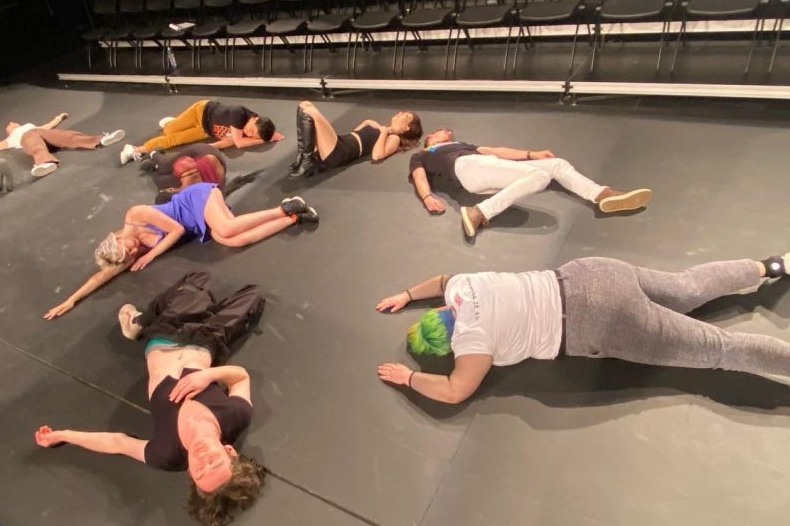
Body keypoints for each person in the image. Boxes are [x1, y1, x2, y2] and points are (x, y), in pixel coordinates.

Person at [373, 253, 790, 405]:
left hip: (599, 320)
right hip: (590, 271)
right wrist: (407, 295)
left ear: (447, 343)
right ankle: (769, 266)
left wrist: (409, 377)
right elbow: (442, 278)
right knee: (685, 286)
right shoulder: (464, 287)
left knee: (716, 349)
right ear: (441, 313)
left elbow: (453, 391)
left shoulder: (471, 344)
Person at [35, 271, 267, 526]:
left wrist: (64, 435)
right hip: (208, 341)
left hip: (166, 338)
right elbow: (240, 378)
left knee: (197, 283)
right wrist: (208, 376)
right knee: (254, 295)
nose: (202, 460)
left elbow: (118, 443)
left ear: (190, 473)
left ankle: (139, 324)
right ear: (229, 451)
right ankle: (191, 312)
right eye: (214, 462)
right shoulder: (235, 417)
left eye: (199, 471)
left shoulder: (165, 453)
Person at [43, 185, 318, 319]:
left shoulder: (136, 215)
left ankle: (285, 206)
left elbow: (174, 230)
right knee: (232, 240)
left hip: (195, 201)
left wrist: (151, 255)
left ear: (117, 239)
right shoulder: (123, 253)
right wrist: (72, 299)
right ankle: (293, 219)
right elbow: (103, 275)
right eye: (131, 257)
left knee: (228, 227)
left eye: (130, 250)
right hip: (197, 223)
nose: (134, 252)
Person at [410, 128, 653, 240]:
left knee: (556, 165)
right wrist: (428, 197)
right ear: (430, 139)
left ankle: (602, 195)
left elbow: (496, 151)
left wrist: (530, 154)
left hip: (484, 169)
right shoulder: (424, 153)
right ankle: (480, 212)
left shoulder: (463, 144)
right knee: (540, 178)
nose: (448, 133)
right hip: (467, 168)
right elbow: (420, 176)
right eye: (443, 132)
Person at [118, 99, 283, 165]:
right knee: (169, 130)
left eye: (253, 135)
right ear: (255, 119)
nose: (249, 133)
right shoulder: (238, 113)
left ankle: (134, 149)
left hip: (204, 130)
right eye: (252, 130)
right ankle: (173, 123)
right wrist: (265, 140)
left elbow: (229, 142)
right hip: (201, 111)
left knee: (172, 140)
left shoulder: (245, 132)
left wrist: (209, 147)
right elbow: (239, 143)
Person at [0, 112, 125, 177]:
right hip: (31, 140)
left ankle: (100, 140)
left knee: (66, 136)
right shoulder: (12, 138)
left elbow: (49, 126)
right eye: (9, 125)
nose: (11, 123)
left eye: (13, 122)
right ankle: (45, 162)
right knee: (34, 145)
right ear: (9, 131)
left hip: (42, 135)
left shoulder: (30, 126)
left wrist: (59, 118)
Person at [288, 101, 423, 178]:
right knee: (304, 105)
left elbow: (377, 155)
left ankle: (306, 160)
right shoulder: (382, 129)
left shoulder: (393, 138)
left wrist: (383, 132)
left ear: (407, 128)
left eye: (405, 116)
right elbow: (355, 134)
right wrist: (367, 123)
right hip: (342, 141)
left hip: (340, 152)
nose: (399, 114)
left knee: (310, 111)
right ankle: (303, 157)